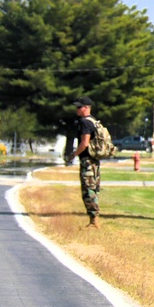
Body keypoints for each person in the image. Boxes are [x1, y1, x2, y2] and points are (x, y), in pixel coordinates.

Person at [65, 96, 102, 228]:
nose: (77, 109)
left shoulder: (85, 123)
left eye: (79, 107)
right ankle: (94, 219)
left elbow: (85, 143)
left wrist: (74, 154)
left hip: (87, 161)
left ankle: (94, 221)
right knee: (94, 189)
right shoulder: (93, 121)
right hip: (94, 161)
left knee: (88, 190)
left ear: (86, 108)